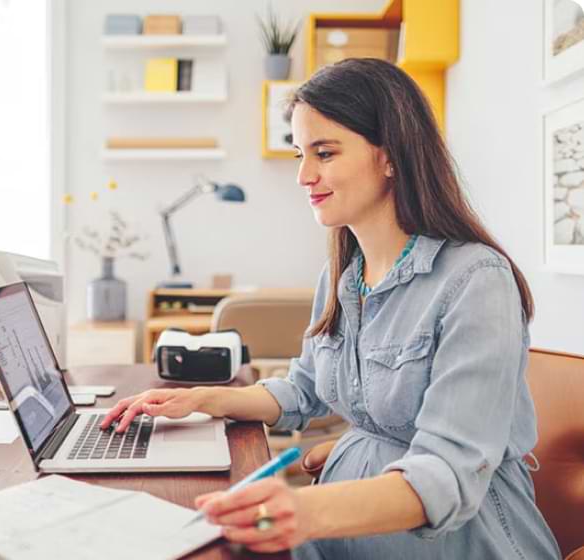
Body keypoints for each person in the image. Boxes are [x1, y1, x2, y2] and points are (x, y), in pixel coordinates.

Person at [100, 58, 560, 559]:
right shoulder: (343, 275)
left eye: (324, 152)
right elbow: (305, 387)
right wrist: (204, 400)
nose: (303, 174)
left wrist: (305, 511)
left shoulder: (476, 281)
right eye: (300, 153)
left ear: (391, 157)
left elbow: (449, 473)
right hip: (344, 530)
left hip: (456, 541)